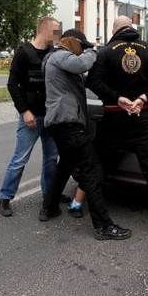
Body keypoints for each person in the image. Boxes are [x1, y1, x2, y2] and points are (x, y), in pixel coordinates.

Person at [86, 16, 148, 235]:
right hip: (142, 118)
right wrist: (143, 97)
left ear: (114, 29)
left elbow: (92, 82)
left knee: (99, 167)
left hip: (112, 117)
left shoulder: (105, 52)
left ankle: (98, 220)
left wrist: (117, 98)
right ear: (132, 28)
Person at [40, 28, 131, 240]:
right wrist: (96, 50)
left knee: (66, 165)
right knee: (91, 170)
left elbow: (84, 75)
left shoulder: (55, 59)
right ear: (72, 42)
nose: (83, 51)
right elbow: (83, 64)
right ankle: (103, 226)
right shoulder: (61, 56)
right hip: (68, 123)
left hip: (60, 122)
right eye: (82, 46)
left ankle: (49, 208)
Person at [0, 16, 61, 217]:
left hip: (51, 117)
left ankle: (49, 195)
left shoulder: (54, 53)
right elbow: (12, 85)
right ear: (44, 30)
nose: (58, 35)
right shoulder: (24, 53)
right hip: (31, 117)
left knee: (51, 159)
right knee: (20, 159)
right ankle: (5, 197)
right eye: (56, 31)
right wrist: (24, 111)